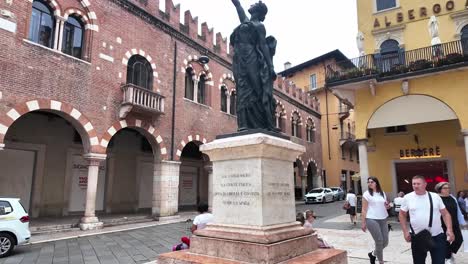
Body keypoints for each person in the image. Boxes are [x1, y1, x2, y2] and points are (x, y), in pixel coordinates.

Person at [230, 0, 277, 131]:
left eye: (254, 4)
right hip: (240, 60)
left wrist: (271, 67)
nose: (251, 4)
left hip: (252, 59)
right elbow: (238, 6)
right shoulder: (245, 22)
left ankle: (264, 121)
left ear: (258, 10)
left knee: (256, 90)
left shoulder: (259, 26)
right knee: (242, 89)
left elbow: (263, 46)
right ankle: (244, 124)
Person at [399, 175, 454, 264]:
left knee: (439, 262)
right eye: (414, 184)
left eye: (418, 184)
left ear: (425, 184)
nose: (416, 186)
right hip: (418, 237)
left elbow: (445, 214)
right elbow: (402, 214)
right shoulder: (408, 198)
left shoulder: (435, 197)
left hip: (437, 236)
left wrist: (449, 229)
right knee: (419, 262)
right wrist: (405, 231)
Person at [361, 177, 390, 264]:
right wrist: (363, 222)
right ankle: (381, 261)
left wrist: (387, 206)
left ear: (376, 183)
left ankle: (373, 254)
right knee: (379, 241)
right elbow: (364, 209)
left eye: (372, 182)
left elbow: (385, 205)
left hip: (383, 218)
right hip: (371, 219)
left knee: (385, 242)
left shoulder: (382, 193)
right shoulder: (366, 194)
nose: (370, 183)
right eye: (368, 182)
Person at [435, 182, 465, 264]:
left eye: (448, 188)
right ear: (439, 189)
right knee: (445, 241)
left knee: (459, 239)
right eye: (445, 188)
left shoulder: (452, 198)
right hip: (442, 224)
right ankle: (447, 257)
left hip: (454, 223)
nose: (448, 189)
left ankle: (449, 253)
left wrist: (462, 222)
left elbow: (458, 210)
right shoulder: (436, 198)